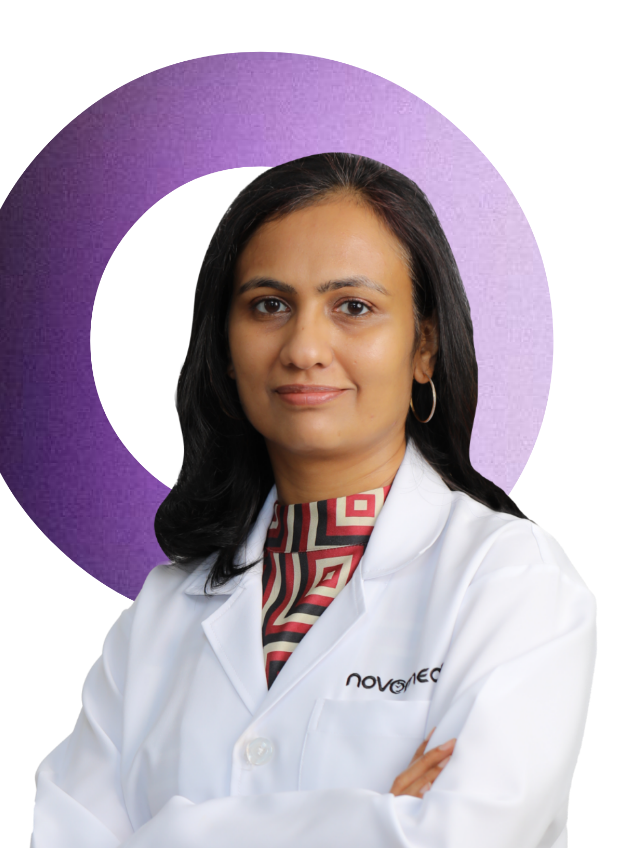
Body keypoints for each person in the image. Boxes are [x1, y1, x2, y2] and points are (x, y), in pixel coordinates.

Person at [30, 153, 597, 847]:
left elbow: (463, 839)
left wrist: (161, 834)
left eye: (353, 307)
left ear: (424, 346)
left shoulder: (512, 581)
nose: (303, 348)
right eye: (268, 305)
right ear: (225, 345)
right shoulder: (161, 614)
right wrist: (372, 819)